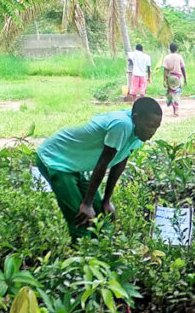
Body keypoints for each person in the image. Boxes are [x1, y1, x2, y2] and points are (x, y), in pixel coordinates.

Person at [36, 97, 162, 239]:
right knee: (82, 220)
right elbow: (103, 163)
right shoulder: (122, 125)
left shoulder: (138, 134)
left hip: (75, 165)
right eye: (150, 126)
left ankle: (103, 250)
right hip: (55, 159)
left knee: (102, 216)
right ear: (136, 118)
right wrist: (86, 204)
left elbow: (119, 164)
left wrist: (106, 200)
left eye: (156, 128)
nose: (152, 132)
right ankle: (82, 250)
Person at [162, 43, 187, 116]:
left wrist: (164, 80)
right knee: (177, 93)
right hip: (178, 77)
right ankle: (176, 110)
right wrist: (185, 78)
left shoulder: (166, 58)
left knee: (171, 93)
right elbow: (183, 68)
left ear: (169, 49)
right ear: (176, 49)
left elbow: (165, 70)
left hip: (170, 77)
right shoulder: (179, 57)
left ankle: (174, 109)